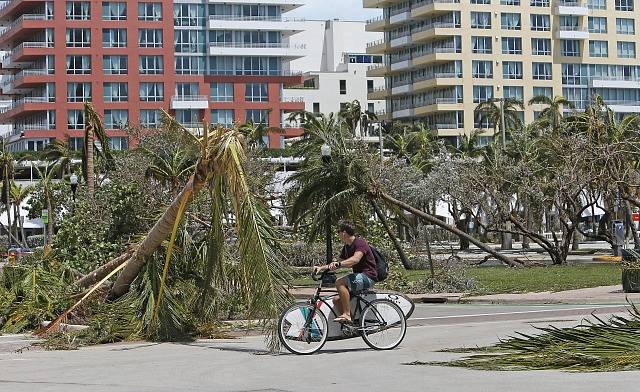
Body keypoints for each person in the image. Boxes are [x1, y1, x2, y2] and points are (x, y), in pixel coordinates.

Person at [314, 221, 377, 324]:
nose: (338, 234)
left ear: (344, 233)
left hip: (369, 276)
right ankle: (353, 325)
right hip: (359, 277)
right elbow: (337, 263)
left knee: (339, 282)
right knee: (336, 300)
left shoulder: (360, 243)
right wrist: (321, 268)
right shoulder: (347, 247)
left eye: (338, 232)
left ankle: (347, 314)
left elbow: (355, 259)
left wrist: (339, 264)